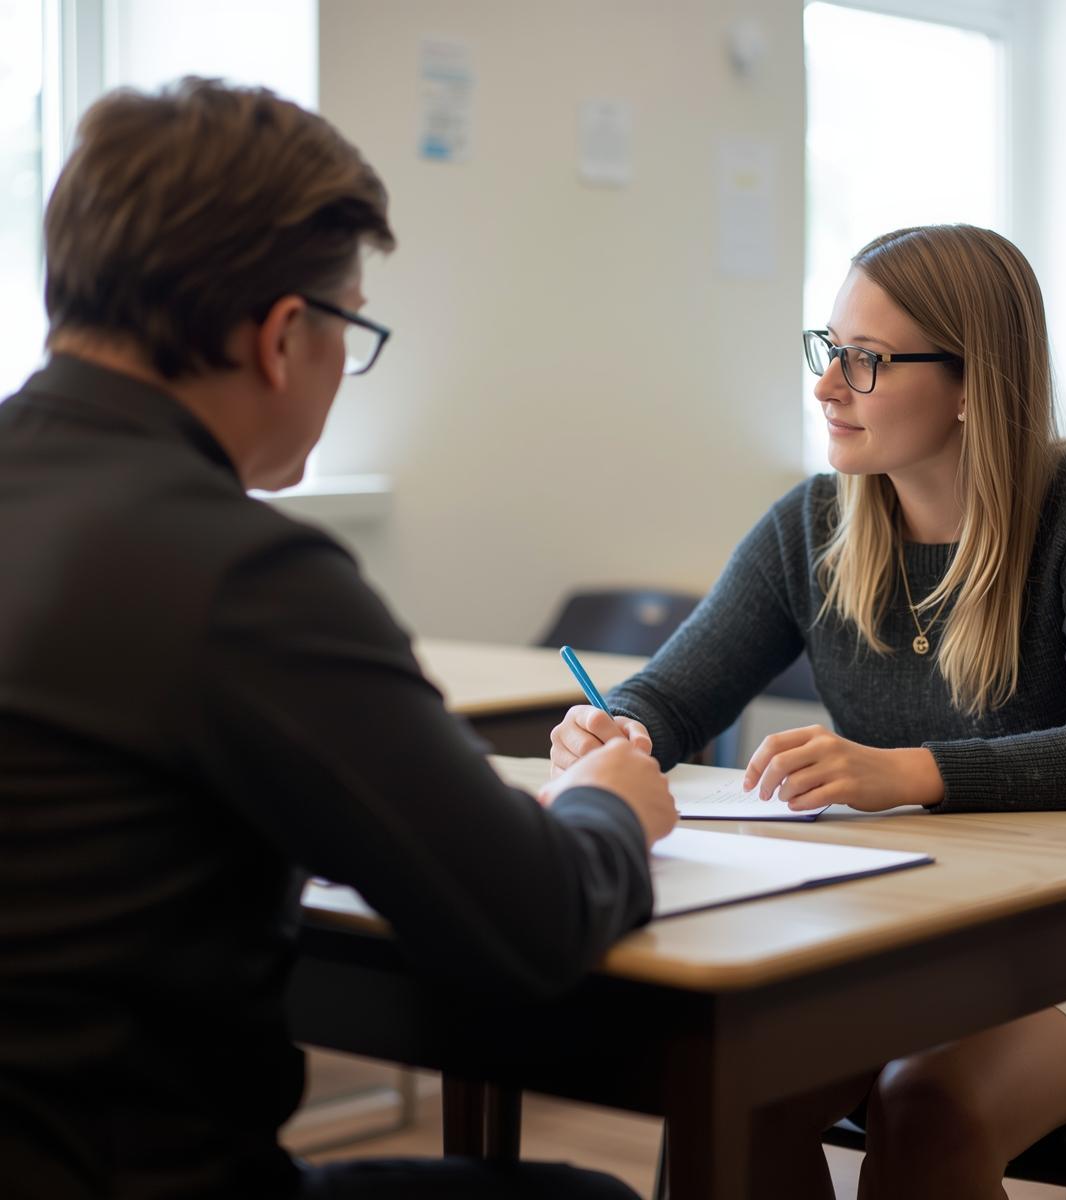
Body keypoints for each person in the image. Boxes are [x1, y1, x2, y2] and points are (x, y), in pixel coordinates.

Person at [0, 79, 678, 1200]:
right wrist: (613, 803)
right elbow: (531, 925)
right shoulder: (240, 572)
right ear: (281, 336)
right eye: (351, 329)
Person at [550, 223, 1066, 1198]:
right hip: (884, 937)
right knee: (734, 1092)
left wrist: (907, 771)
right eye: (829, 350)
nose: (825, 387)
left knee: (929, 1106)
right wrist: (619, 729)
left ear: (974, 382)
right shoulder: (812, 522)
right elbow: (671, 696)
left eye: (866, 362)